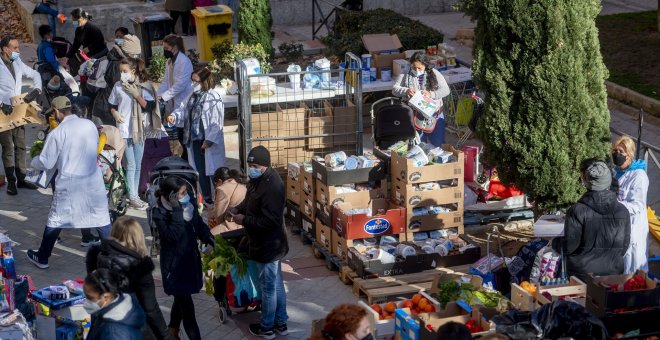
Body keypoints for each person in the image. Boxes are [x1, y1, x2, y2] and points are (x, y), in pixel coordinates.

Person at [26, 96, 111, 269]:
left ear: (57, 112)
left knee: (56, 219)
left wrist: (34, 160)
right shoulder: (89, 125)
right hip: (93, 181)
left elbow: (46, 162)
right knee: (101, 219)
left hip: (70, 183)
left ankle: (42, 257)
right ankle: (112, 257)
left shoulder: (57, 132)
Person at [229, 146, 289, 339]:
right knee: (276, 284)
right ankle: (281, 323)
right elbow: (249, 202)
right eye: (250, 165)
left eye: (255, 165)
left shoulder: (273, 186)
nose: (251, 169)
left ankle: (267, 327)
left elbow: (271, 221)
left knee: (269, 287)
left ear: (264, 166)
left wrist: (244, 220)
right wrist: (238, 210)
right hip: (261, 243)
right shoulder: (257, 181)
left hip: (269, 245)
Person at [86, 217, 172, 340]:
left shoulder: (96, 258)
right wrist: (165, 336)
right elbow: (151, 310)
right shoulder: (140, 268)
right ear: (138, 238)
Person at [151, 176, 215, 340]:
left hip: (189, 262)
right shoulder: (159, 213)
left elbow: (198, 224)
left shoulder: (190, 205)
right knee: (188, 309)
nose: (187, 195)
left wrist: (209, 238)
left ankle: (172, 331)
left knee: (182, 300)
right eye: (182, 193)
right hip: (174, 268)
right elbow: (172, 235)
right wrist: (177, 210)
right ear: (171, 196)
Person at [552, 159, 631, 278]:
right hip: (613, 273)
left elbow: (569, 246)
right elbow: (624, 246)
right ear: (609, 181)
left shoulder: (577, 210)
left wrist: (554, 242)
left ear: (587, 182)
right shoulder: (623, 211)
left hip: (582, 274)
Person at [108, 58, 157, 209]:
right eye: (121, 71)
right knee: (130, 165)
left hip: (139, 130)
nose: (122, 74)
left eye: (125, 71)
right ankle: (133, 196)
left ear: (133, 71)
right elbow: (111, 104)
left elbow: (150, 106)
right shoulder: (117, 86)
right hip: (124, 130)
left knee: (137, 165)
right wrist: (115, 113)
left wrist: (136, 94)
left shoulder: (143, 86)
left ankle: (134, 194)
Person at [0, 35, 42, 195]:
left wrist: (37, 90)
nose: (18, 51)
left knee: (20, 145)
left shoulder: (16, 62)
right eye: (15, 48)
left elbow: (34, 74)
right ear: (5, 49)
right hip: (3, 113)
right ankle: (11, 182)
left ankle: (22, 179)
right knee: (8, 148)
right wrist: (1, 103)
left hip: (17, 111)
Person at [183, 67, 225, 205]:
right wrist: (173, 116)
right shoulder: (192, 96)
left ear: (204, 81)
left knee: (213, 173)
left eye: (196, 81)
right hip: (194, 139)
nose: (193, 84)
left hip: (207, 141)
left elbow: (217, 122)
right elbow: (184, 111)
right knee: (200, 171)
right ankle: (207, 198)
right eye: (192, 81)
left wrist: (209, 140)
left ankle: (221, 198)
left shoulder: (213, 97)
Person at [392, 52, 450, 146]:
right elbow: (395, 89)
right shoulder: (406, 74)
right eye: (414, 67)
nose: (417, 70)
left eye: (420, 68)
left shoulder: (434, 73)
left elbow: (446, 90)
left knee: (437, 143)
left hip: (434, 114)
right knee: (418, 144)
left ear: (425, 65)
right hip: (415, 115)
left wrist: (431, 94)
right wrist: (406, 90)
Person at [612, 136, 650, 273]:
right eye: (615, 150)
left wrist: (614, 204)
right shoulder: (616, 172)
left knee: (633, 269)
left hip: (633, 228)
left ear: (629, 155)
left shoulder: (639, 176)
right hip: (618, 228)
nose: (617, 154)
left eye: (621, 152)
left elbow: (638, 205)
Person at [157, 34, 193, 160]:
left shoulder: (184, 61)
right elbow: (166, 82)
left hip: (183, 101)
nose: (165, 51)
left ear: (174, 47)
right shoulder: (170, 62)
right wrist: (157, 95)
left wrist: (164, 97)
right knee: (177, 136)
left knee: (184, 138)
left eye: (167, 48)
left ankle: (187, 162)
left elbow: (180, 85)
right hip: (173, 103)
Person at [84, 268, 146, 340]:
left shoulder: (114, 333)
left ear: (106, 297)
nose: (85, 301)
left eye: (90, 297)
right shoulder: (121, 301)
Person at [208, 167, 247, 234]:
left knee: (209, 236)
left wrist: (215, 222)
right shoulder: (239, 183)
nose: (216, 186)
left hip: (234, 224)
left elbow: (219, 214)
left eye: (216, 183)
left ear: (219, 181)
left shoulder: (222, 189)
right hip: (245, 220)